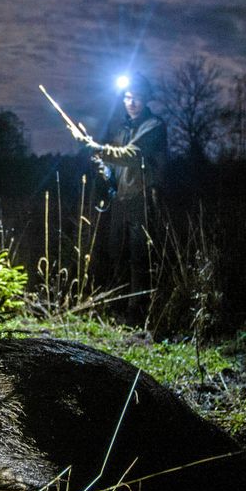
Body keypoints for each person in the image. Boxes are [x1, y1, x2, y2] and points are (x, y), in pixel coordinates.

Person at [73, 73, 168, 312]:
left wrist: (99, 148)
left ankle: (139, 310)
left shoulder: (154, 126)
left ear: (146, 99)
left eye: (136, 97)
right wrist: (102, 166)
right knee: (117, 252)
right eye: (127, 97)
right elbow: (114, 162)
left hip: (142, 199)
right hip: (121, 200)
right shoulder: (122, 129)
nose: (131, 102)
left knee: (140, 256)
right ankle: (118, 307)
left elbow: (132, 155)